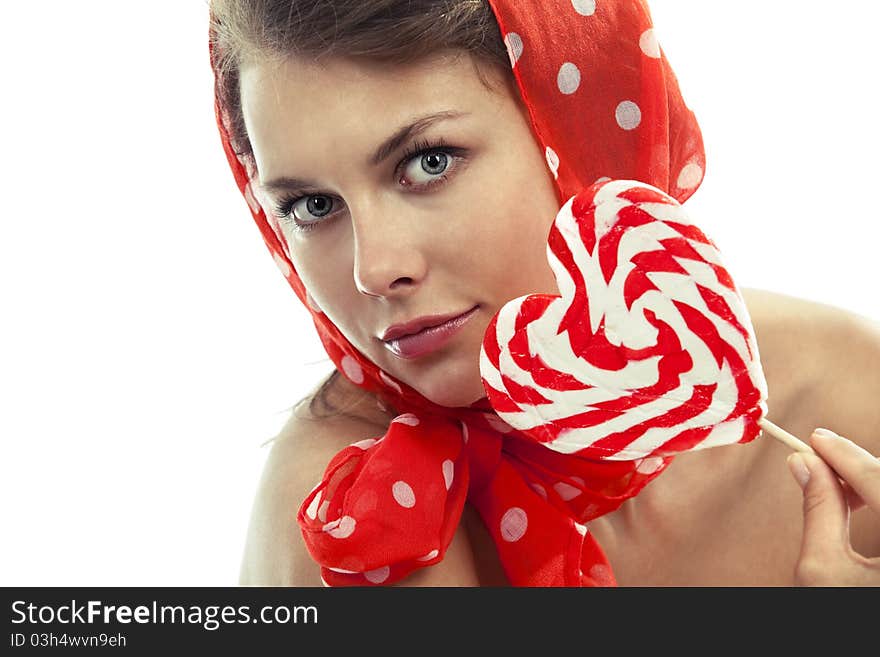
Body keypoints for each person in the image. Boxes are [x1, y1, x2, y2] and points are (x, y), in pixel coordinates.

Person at [209, 0, 880, 586]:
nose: (374, 270)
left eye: (427, 161)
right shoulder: (351, 512)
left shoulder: (851, 397)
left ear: (574, 125)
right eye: (312, 205)